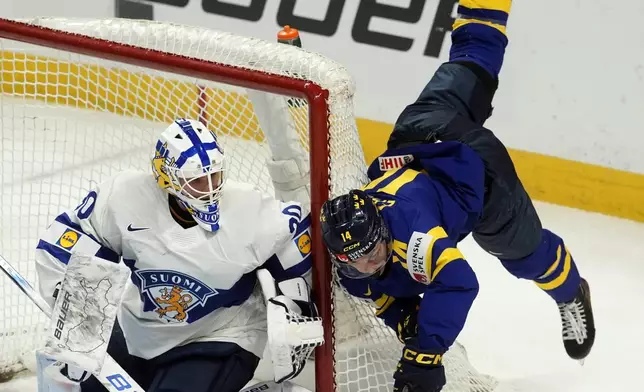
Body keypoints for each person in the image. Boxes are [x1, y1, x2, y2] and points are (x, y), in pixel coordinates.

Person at [319, 0, 596, 391]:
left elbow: (458, 281)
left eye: (371, 255)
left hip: (479, 177)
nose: (365, 266)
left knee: (524, 254)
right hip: (422, 134)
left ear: (384, 233)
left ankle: (572, 291)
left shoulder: (415, 237)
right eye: (356, 261)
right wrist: (403, 318)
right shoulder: (352, 247)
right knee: (471, 60)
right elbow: (371, 286)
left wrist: (426, 352)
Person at [34, 116, 314, 392]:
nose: (210, 189)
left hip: (220, 336)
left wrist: (294, 307)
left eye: (214, 176)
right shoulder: (125, 196)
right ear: (167, 177)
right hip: (140, 332)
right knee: (79, 387)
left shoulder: (249, 209)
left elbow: (296, 236)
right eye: (197, 181)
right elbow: (70, 237)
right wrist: (76, 306)